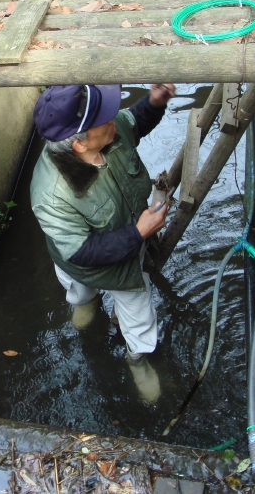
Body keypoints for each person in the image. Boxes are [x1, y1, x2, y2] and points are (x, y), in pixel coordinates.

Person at [30, 83, 175, 402]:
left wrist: (153, 102)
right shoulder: (51, 195)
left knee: (139, 316)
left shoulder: (110, 130)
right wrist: (138, 233)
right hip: (82, 263)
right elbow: (83, 252)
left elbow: (134, 120)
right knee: (79, 288)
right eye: (104, 118)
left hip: (126, 265)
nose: (114, 119)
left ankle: (137, 359)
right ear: (80, 144)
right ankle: (84, 302)